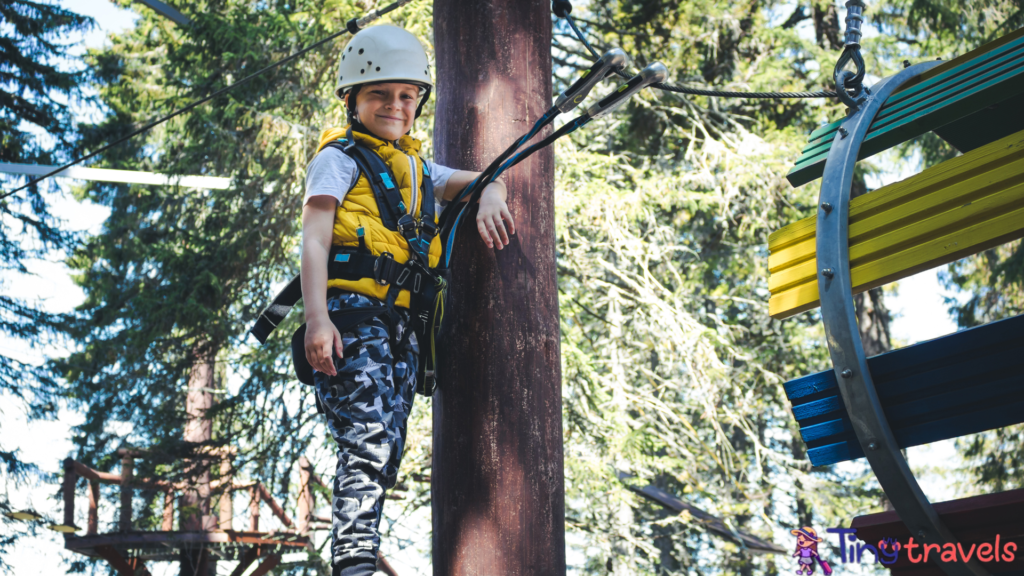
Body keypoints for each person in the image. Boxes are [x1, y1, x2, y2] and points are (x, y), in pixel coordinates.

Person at [300, 24, 514, 576]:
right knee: (366, 443)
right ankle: (354, 566)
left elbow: (483, 179)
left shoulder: (420, 169)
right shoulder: (340, 159)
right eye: (379, 95)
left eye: (407, 96)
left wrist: (493, 192)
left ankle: (358, 557)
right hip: (352, 319)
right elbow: (315, 239)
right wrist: (316, 321)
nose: (395, 106)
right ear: (351, 100)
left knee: (386, 451)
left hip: (403, 330)